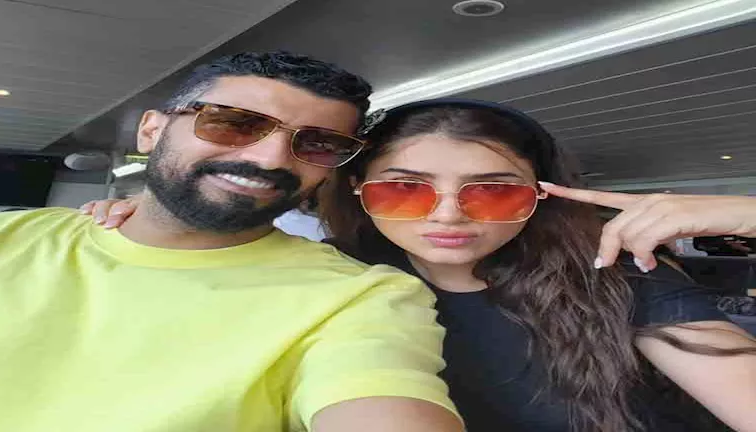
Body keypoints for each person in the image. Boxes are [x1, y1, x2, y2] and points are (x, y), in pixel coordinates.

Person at [84, 99, 756, 431]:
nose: (448, 216)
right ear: (357, 190)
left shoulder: (616, 276)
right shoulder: (327, 283)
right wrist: (147, 218)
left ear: (539, 197)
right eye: (405, 189)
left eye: (492, 191)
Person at [0, 52, 463, 432]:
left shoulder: (357, 299)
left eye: (317, 144)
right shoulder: (5, 238)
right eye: (234, 123)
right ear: (151, 131)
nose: (270, 158)